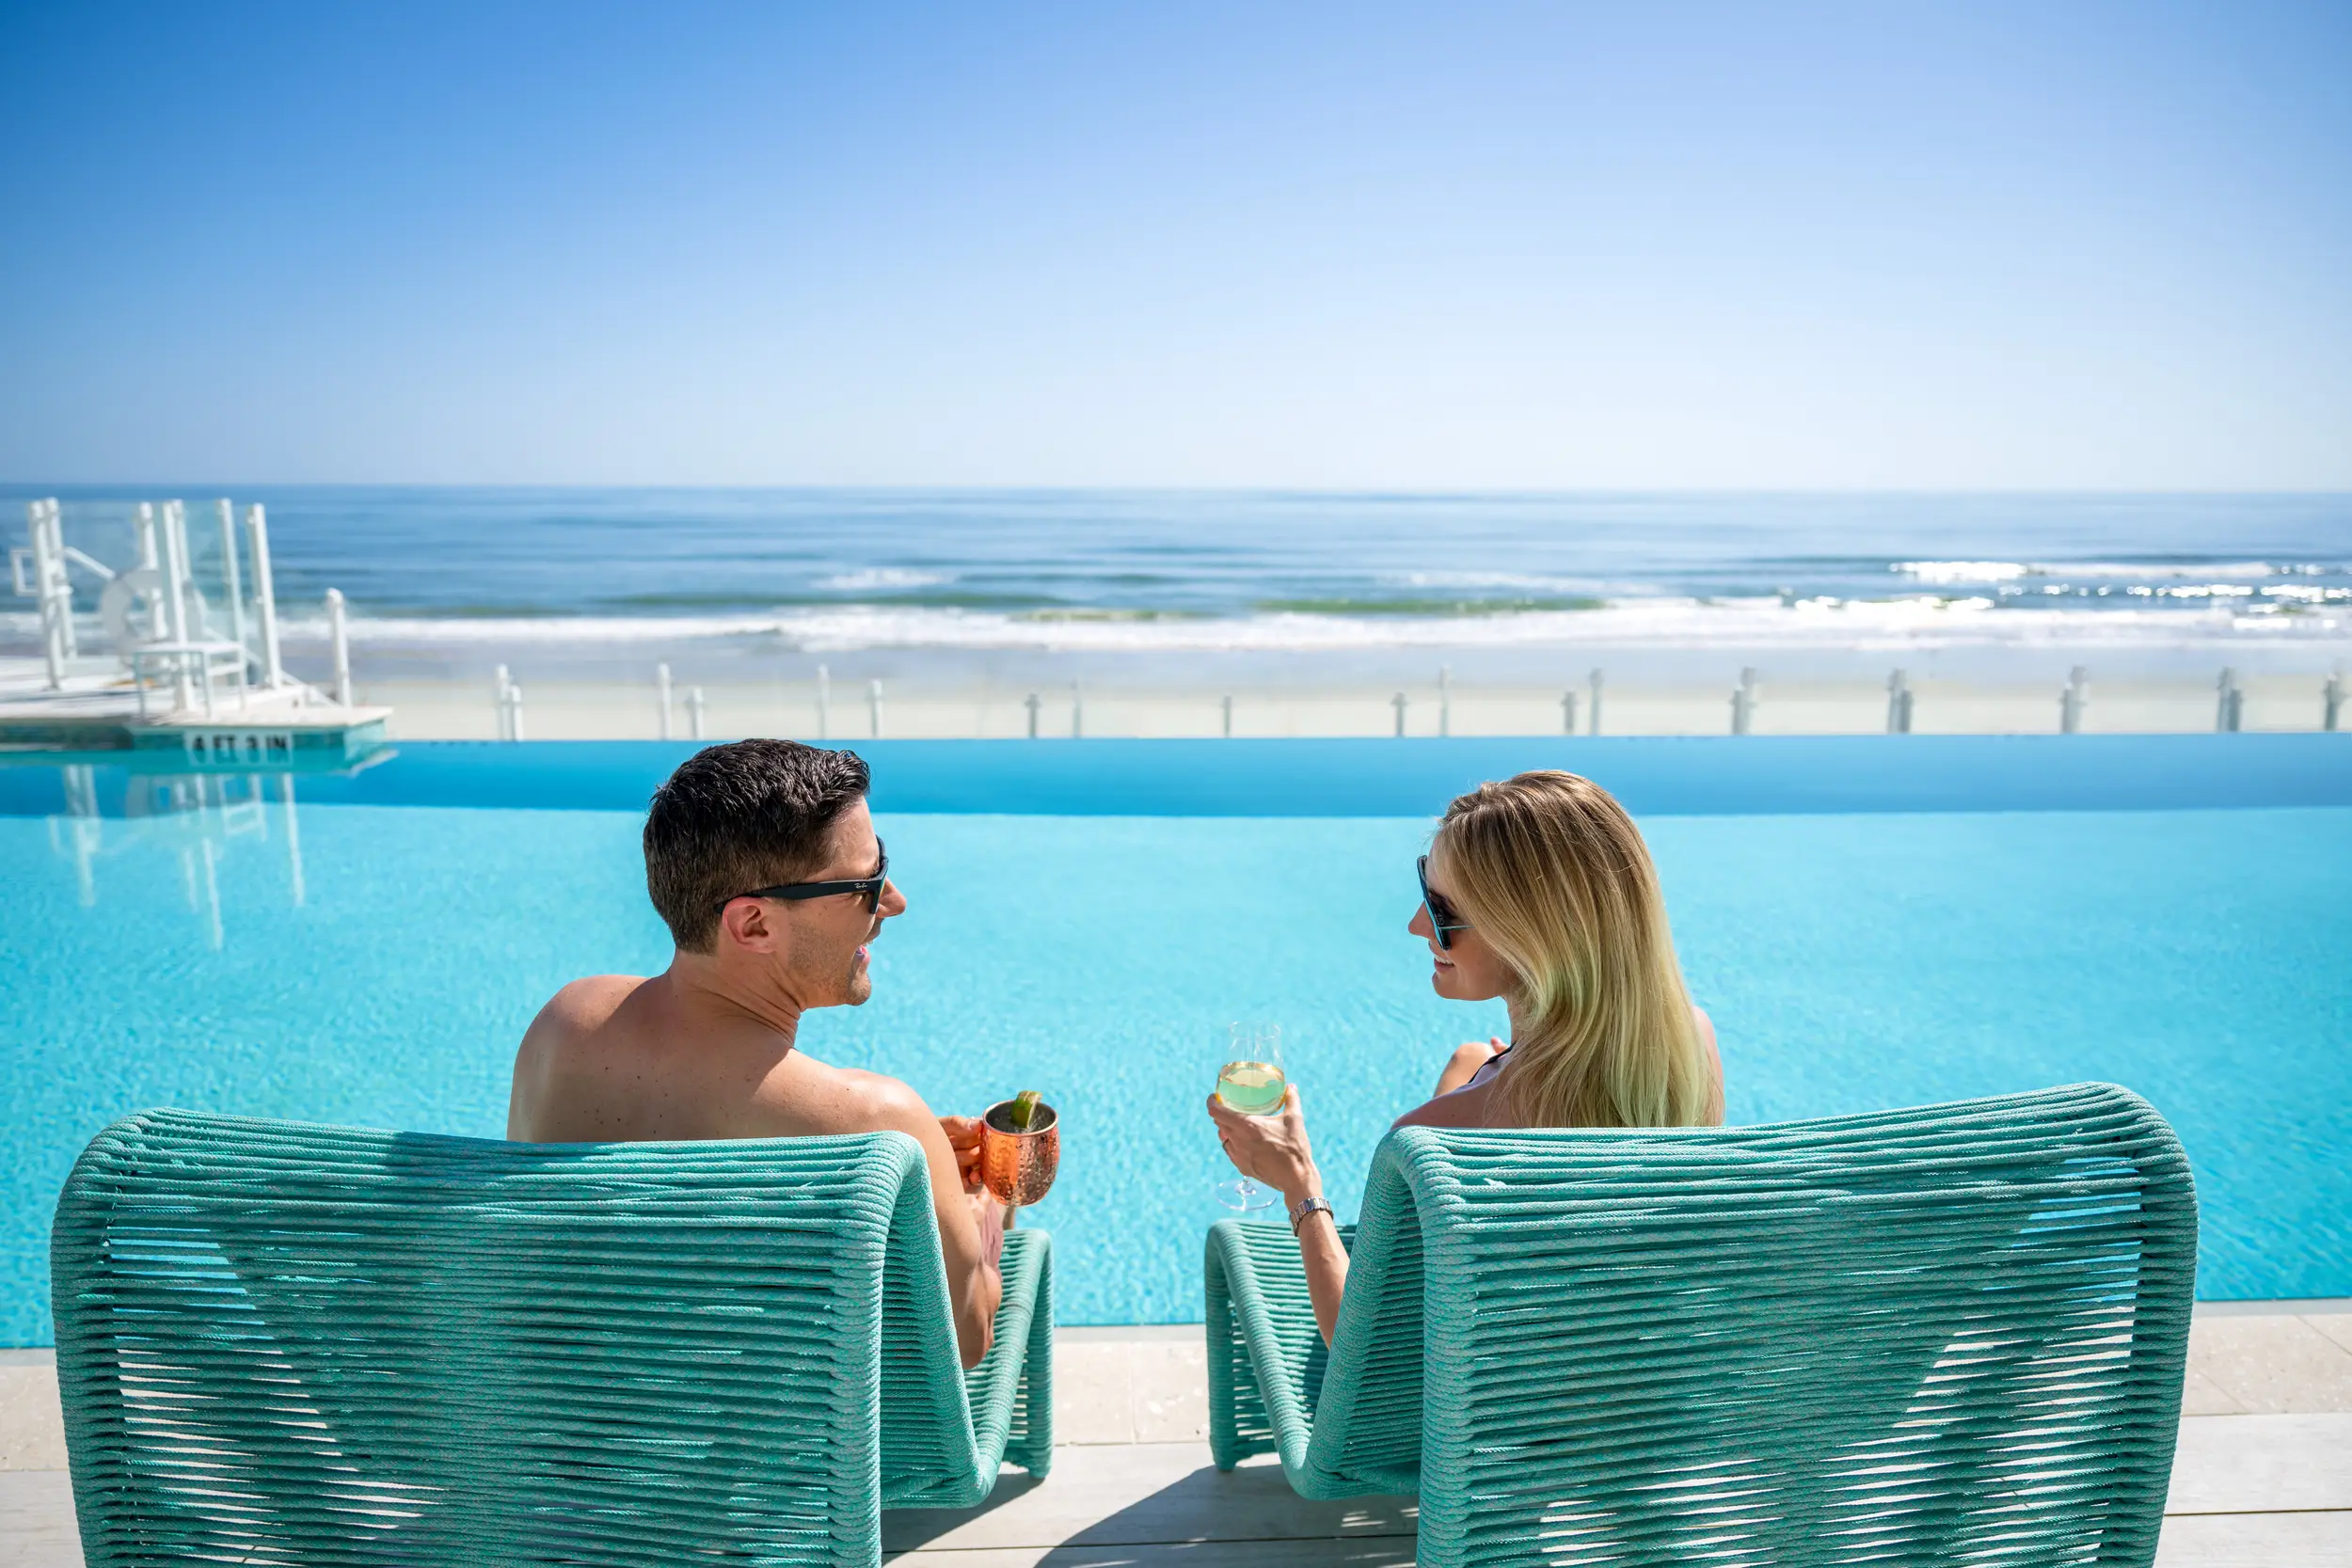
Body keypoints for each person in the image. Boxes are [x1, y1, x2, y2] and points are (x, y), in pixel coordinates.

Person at [508, 738, 1005, 1370]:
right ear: (754, 926)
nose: (894, 900)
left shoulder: (563, 1027)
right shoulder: (881, 1123)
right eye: (865, 883)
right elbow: (964, 1341)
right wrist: (979, 1206)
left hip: (579, 1440)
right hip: (774, 1458)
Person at [1207, 769, 1724, 1345]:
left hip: (1480, 1421)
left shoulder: (1435, 1137)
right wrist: (1491, 1072)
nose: (1415, 924)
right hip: (1632, 1388)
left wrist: (1298, 1181)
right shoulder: (1689, 1045)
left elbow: (1360, 1347)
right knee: (1469, 1057)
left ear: (1534, 936)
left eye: (1441, 908)